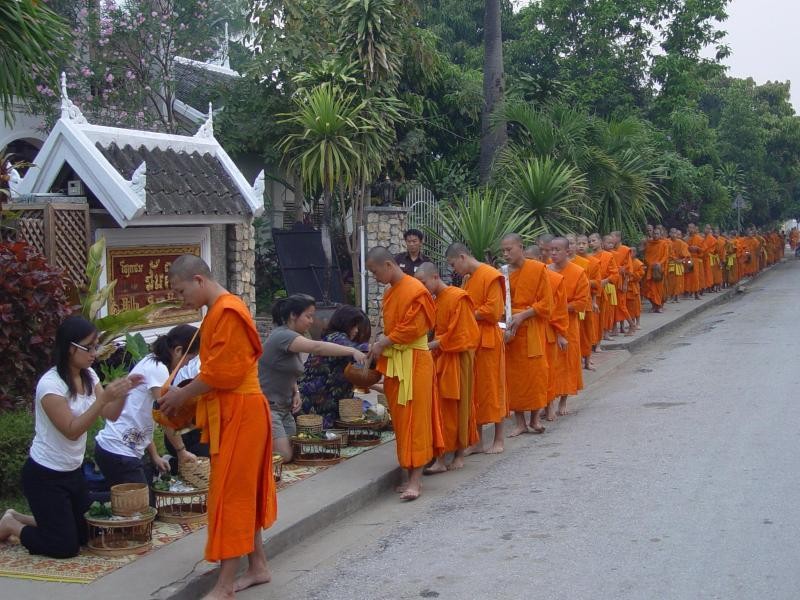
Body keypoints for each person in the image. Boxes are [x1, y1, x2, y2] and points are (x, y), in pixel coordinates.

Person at [158, 254, 276, 599]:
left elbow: (226, 373)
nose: (182, 300)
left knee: (231, 494)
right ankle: (258, 567)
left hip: (243, 411)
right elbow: (218, 372)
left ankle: (225, 585)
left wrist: (183, 395)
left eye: (181, 292)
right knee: (239, 491)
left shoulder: (228, 311)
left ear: (198, 280)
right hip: (233, 409)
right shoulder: (217, 312)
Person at [0, 316, 141, 558]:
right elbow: (72, 429)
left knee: (89, 535)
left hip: (73, 473)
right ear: (69, 348)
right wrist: (103, 399)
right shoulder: (50, 385)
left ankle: (19, 516)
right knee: (64, 547)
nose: (94, 353)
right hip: (45, 475)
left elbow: (111, 414)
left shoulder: (89, 376)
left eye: (96, 346)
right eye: (89, 347)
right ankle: (12, 525)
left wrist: (123, 393)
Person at [366, 247, 442, 501]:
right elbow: (392, 326)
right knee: (401, 420)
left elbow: (414, 328)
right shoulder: (391, 293)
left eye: (374, 271)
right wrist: (379, 341)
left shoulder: (415, 290)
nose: (374, 277)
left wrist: (384, 341)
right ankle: (408, 470)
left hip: (415, 361)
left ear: (388, 265)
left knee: (416, 419)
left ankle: (416, 480)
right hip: (397, 361)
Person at [94, 325, 200, 499]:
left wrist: (155, 456)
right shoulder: (157, 369)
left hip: (123, 451)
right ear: (178, 350)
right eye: (189, 359)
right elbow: (165, 415)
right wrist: (181, 451)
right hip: (118, 451)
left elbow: (144, 416)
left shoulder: (153, 362)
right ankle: (84, 505)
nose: (187, 365)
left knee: (138, 504)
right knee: (142, 507)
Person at [261, 295, 368, 461]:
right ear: (293, 316)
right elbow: (317, 347)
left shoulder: (292, 337)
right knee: (285, 456)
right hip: (269, 407)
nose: (311, 321)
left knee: (299, 451)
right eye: (308, 316)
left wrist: (295, 391)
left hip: (285, 408)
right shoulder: (283, 336)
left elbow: (287, 371)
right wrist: (352, 351)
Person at [415, 262, 480, 473]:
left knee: (459, 405)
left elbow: (464, 334)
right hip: (440, 358)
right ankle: (441, 458)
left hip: (459, 358)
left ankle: (459, 453)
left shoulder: (458, 297)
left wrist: (431, 345)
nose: (422, 288)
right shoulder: (435, 301)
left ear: (435, 277)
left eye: (423, 283)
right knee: (440, 408)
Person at [446, 242, 508, 454]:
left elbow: (494, 310)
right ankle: (478, 440)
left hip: (489, 338)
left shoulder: (490, 275)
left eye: (454, 264)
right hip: (472, 339)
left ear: (463, 257)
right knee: (475, 392)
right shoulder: (468, 279)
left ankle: (499, 439)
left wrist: (467, 315)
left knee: (493, 388)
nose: (454, 269)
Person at [501, 233, 553, 436]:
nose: (505, 254)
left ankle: (534, 419)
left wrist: (524, 314)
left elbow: (547, 303)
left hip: (531, 329)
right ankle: (520, 422)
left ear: (520, 247)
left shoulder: (537, 269)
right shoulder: (502, 273)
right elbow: (500, 305)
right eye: (503, 251)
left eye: (509, 249)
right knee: (514, 379)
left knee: (535, 376)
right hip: (511, 332)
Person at [298, 305, 371, 429]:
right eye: (354, 326)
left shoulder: (340, 341)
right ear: (344, 323)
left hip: (332, 403)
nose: (357, 331)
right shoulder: (336, 338)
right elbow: (360, 350)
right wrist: (382, 345)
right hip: (317, 403)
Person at [548, 238, 591, 417]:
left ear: (567, 251)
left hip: (568, 324)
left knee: (566, 362)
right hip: (549, 324)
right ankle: (548, 404)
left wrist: (560, 307)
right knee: (550, 363)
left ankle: (563, 400)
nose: (553, 253)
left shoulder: (578, 272)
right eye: (551, 250)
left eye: (557, 250)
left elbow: (581, 302)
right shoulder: (545, 271)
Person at [525, 244, 568, 422]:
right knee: (532, 374)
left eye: (531, 260)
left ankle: (549, 405)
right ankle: (535, 408)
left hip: (548, 331)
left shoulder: (554, 279)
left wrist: (560, 333)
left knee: (547, 372)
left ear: (539, 260)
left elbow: (559, 309)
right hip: (528, 332)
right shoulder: (521, 278)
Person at [643, 226, 671, 313]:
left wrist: (659, 263)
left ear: (660, 234)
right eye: (654, 233)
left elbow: (665, 256)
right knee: (649, 288)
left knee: (659, 289)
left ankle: (659, 306)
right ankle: (654, 306)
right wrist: (650, 263)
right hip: (651, 268)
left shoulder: (664, 244)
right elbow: (646, 256)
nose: (655, 235)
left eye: (657, 234)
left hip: (659, 269)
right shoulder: (649, 244)